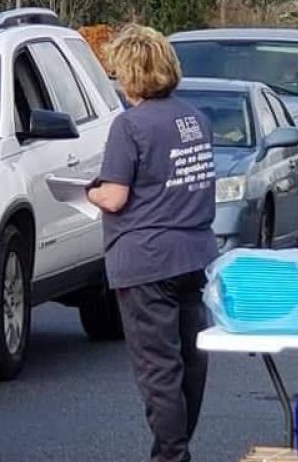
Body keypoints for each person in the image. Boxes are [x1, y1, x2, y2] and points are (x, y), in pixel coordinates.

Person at [87, 24, 217, 462]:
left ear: (129, 74)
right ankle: (177, 448)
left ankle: (171, 456)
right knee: (190, 363)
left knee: (159, 369)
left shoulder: (130, 126)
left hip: (145, 260)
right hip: (194, 253)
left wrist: (90, 192)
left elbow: (116, 196)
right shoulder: (194, 119)